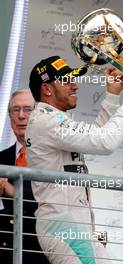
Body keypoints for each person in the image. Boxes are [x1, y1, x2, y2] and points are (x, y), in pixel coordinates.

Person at [26, 55, 123, 264]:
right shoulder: (46, 122)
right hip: (62, 226)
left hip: (79, 223)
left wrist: (112, 95)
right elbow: (106, 142)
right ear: (47, 89)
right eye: (67, 81)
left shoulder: (54, 119)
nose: (75, 86)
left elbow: (98, 135)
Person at [0, 89, 50, 264]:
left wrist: (14, 192)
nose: (21, 115)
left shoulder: (58, 158)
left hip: (42, 255)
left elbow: (58, 204)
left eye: (28, 109)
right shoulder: (1, 159)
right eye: (15, 110)